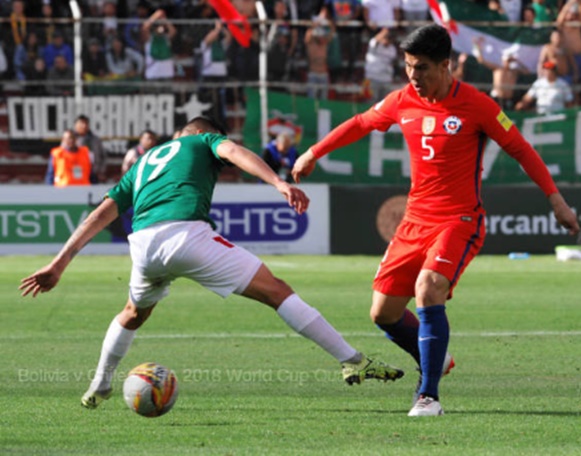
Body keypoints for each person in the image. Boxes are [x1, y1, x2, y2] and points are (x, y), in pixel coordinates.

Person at [291, 24, 580, 417]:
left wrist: (557, 201)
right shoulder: (402, 100)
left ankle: (428, 395)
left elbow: (521, 149)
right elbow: (360, 122)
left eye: (422, 68)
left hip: (459, 220)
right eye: (408, 66)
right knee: (383, 313)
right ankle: (435, 358)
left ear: (446, 66)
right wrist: (313, 152)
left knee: (429, 287)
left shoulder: (477, 105)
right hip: (414, 222)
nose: (414, 76)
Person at [20, 116, 404, 410]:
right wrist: (278, 183)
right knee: (277, 292)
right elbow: (234, 152)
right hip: (188, 234)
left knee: (133, 313)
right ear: (200, 133)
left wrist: (59, 263)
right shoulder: (203, 140)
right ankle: (352, 360)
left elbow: (101, 213)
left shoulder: (142, 163)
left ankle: (100, 383)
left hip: (144, 245)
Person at [74, 115, 106, 183]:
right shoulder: (71, 140)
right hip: (77, 174)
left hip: (94, 173)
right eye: (81, 123)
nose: (84, 126)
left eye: (86, 123)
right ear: (75, 125)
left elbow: (103, 156)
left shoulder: (96, 140)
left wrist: (101, 171)